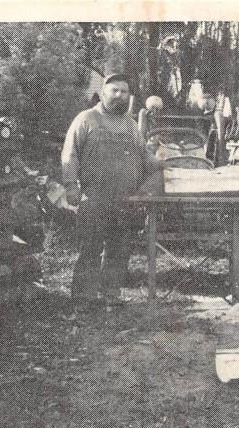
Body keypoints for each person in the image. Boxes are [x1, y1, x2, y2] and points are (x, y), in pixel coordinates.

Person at [61, 73, 161, 313]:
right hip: (94, 197)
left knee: (119, 248)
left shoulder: (130, 125)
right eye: (114, 90)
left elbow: (142, 156)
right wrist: (70, 184)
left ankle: (111, 295)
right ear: (103, 93)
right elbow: (70, 153)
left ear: (128, 96)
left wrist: (160, 163)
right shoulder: (86, 119)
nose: (119, 96)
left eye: (124, 92)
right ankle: (83, 298)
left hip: (124, 199)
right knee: (90, 248)